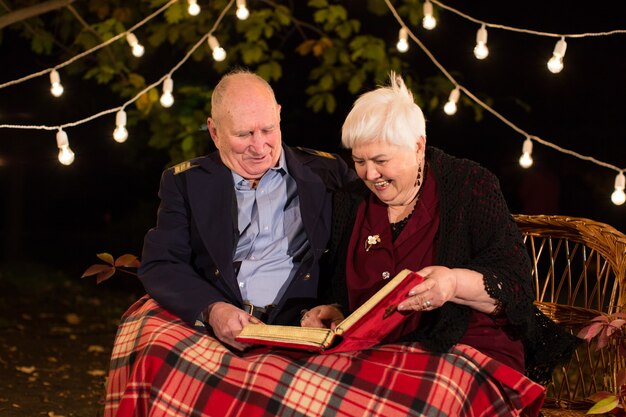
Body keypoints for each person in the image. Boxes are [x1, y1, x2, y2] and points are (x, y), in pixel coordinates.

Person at [301, 72, 579, 416]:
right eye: (359, 161)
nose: (370, 174)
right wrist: (335, 312)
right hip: (375, 356)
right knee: (304, 391)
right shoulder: (351, 201)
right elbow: (343, 293)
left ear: (418, 146)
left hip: (465, 349)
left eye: (381, 160)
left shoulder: (468, 185)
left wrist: (453, 282)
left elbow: (517, 287)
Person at [103, 69, 356, 416]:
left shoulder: (328, 172)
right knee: (150, 344)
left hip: (300, 325)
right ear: (214, 131)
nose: (259, 146)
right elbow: (162, 263)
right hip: (218, 326)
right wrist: (213, 309)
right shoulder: (185, 182)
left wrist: (336, 303)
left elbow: (358, 249)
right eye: (243, 134)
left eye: (268, 129)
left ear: (279, 114)